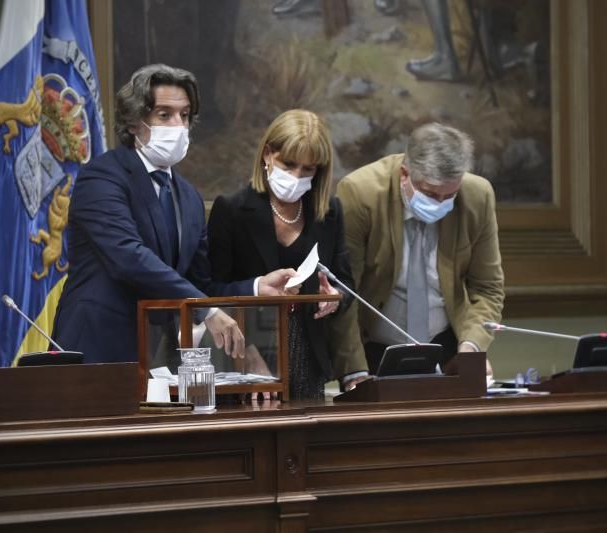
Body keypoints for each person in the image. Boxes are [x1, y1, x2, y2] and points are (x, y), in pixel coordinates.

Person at [52, 64, 295, 365]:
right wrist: (206, 309)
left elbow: (199, 285)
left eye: (185, 115)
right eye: (164, 114)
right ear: (133, 122)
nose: (178, 125)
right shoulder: (101, 178)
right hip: (96, 349)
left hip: (155, 361)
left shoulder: (189, 197)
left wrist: (257, 287)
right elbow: (129, 257)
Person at [329, 122, 504, 389]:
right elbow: (343, 292)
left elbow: (488, 288)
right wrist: (354, 371)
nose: (439, 203)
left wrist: (472, 346)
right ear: (404, 174)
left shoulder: (478, 196)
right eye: (431, 193)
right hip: (373, 349)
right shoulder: (360, 193)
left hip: (448, 349)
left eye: (450, 195)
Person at [207, 109, 354, 400]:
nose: (297, 176)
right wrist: (255, 289)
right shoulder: (232, 210)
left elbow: (346, 285)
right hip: (244, 354)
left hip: (307, 356)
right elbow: (210, 290)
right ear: (267, 155)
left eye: (308, 170)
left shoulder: (329, 212)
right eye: (289, 164)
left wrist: (333, 298)